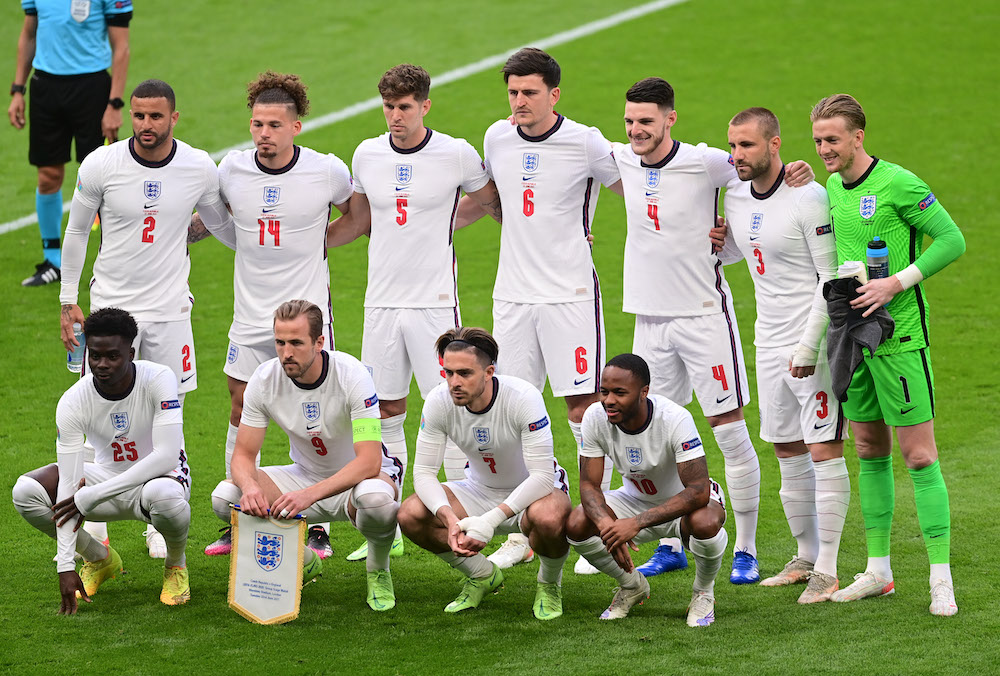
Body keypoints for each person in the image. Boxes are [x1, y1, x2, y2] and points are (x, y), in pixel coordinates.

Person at [610, 77, 815, 582]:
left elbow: (760, 170)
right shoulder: (620, 158)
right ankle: (671, 544)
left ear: (670, 119)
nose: (638, 131)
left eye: (647, 122)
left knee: (729, 432)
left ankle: (744, 547)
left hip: (703, 316)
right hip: (647, 321)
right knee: (655, 436)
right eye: (631, 122)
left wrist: (796, 170)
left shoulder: (706, 162)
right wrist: (519, 121)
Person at [327, 63, 501, 563]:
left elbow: (489, 201)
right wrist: (304, 245)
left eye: (404, 107)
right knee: (383, 409)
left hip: (433, 304)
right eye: (388, 106)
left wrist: (448, 222)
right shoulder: (367, 153)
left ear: (425, 105)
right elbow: (359, 219)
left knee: (450, 403)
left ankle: (458, 516)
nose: (395, 116)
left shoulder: (456, 153)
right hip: (380, 303)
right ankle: (390, 518)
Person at [59, 79, 235, 558]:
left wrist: (268, 253)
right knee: (98, 410)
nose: (146, 125)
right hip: (110, 309)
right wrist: (66, 299)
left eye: (156, 117)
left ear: (174, 117)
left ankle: (160, 517)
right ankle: (95, 524)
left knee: (167, 416)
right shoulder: (101, 163)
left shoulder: (198, 166)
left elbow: (218, 223)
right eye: (138, 115)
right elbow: (76, 231)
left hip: (170, 310)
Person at [457, 47, 617, 574]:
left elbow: (639, 186)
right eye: (512, 92)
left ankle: (600, 520)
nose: (519, 101)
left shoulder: (586, 141)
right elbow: (492, 201)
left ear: (554, 94)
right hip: (513, 296)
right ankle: (526, 529)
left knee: (583, 408)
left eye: (529, 92)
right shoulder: (496, 136)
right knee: (512, 411)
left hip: (570, 295)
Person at [810, 94, 965, 616]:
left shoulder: (899, 183)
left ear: (859, 136)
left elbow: (951, 240)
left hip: (900, 340)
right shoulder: (831, 186)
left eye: (833, 139)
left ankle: (940, 577)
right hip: (853, 338)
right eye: (818, 140)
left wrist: (896, 283)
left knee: (919, 456)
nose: (826, 148)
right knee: (869, 452)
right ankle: (879, 570)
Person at [201, 71, 353, 559]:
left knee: (314, 410)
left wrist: (318, 245)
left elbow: (358, 215)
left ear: (296, 127)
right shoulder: (232, 169)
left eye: (273, 125)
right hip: (250, 315)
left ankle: (315, 519)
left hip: (306, 317)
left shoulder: (326, 170)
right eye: (256, 124)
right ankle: (239, 515)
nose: (263, 134)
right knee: (241, 402)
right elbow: (216, 219)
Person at [720, 107, 850, 603]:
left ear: (775, 145)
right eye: (733, 146)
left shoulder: (808, 196)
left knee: (823, 449)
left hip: (809, 342)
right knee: (787, 449)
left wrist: (808, 344)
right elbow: (749, 248)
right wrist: (720, 244)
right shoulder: (734, 194)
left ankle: (829, 568)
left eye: (748, 146)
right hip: (767, 341)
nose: (738, 156)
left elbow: (830, 277)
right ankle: (804, 555)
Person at [209, 300, 402, 612]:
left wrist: (308, 495)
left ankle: (378, 570)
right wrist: (251, 487)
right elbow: (243, 455)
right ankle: (304, 561)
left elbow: (370, 462)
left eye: (296, 343)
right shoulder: (264, 378)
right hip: (303, 475)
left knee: (378, 504)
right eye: (280, 342)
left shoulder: (352, 375)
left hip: (357, 481)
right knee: (226, 497)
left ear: (319, 342)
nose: (286, 353)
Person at [12, 308, 192, 614]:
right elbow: (69, 480)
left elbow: (166, 456)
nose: (102, 364)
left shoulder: (159, 378)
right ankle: (99, 558)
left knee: (166, 498)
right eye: (94, 356)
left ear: (131, 353)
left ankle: (176, 565)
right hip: (103, 478)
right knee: (26, 491)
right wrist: (65, 565)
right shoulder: (73, 400)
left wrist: (92, 496)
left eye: (112, 356)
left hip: (157, 481)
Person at [397, 327, 572, 620]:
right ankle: (481, 575)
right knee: (410, 514)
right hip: (478, 489)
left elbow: (542, 476)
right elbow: (425, 472)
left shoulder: (523, 397)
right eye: (448, 373)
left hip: (533, 491)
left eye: (464, 373)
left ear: (489, 371)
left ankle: (549, 584)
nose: (454, 382)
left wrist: (490, 521)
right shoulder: (439, 401)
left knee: (550, 519)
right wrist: (449, 519)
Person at [566, 354, 728, 627]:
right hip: (633, 498)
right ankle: (631, 586)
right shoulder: (595, 416)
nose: (609, 400)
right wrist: (608, 526)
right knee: (577, 522)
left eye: (620, 393)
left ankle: (703, 592)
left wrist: (635, 523)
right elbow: (588, 485)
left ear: (644, 393)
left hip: (684, 503)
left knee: (706, 521)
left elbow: (699, 490)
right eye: (604, 392)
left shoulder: (675, 418)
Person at [9, 0, 131, 287]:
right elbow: (29, 34)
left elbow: (121, 47)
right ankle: (53, 261)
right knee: (48, 175)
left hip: (91, 88)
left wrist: (114, 103)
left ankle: (117, 260)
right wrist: (17, 89)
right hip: (45, 88)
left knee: (104, 179)